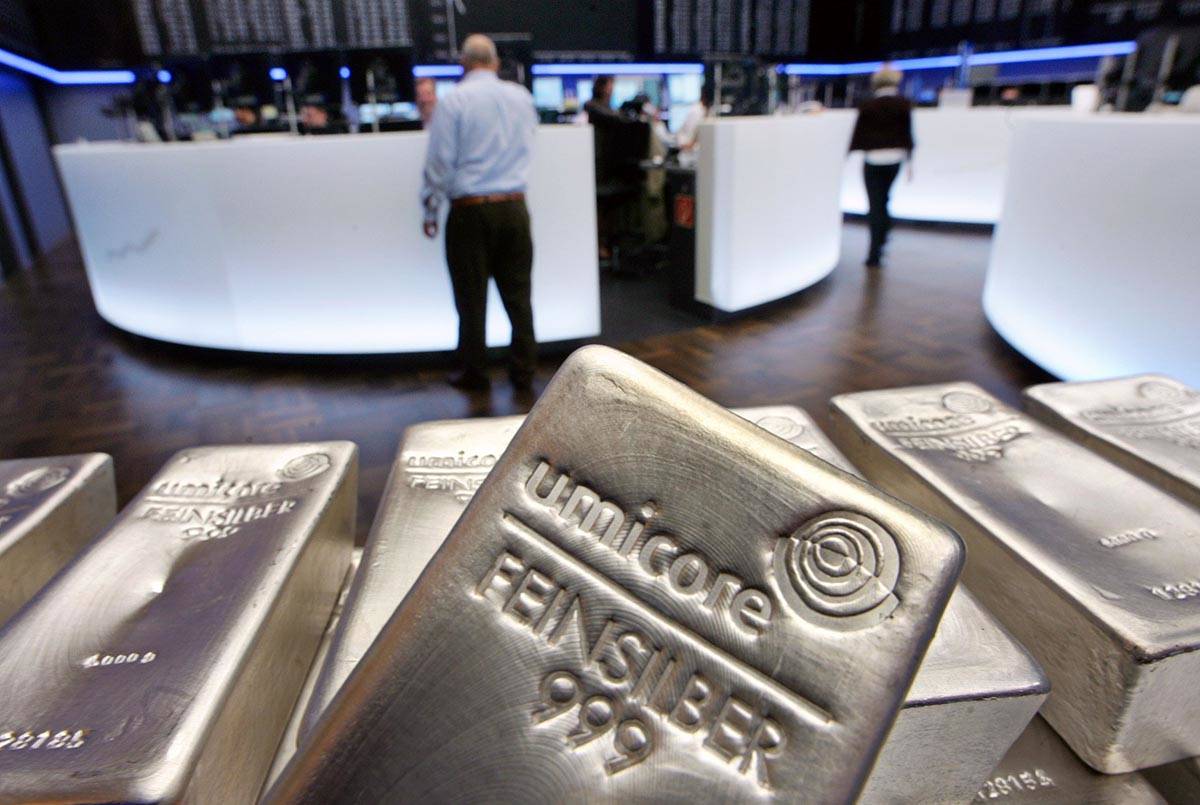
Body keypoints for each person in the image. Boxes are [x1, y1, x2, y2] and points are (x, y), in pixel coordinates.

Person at [421, 35, 539, 393]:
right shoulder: (522, 98)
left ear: (464, 63)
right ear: (496, 62)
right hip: (515, 207)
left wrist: (430, 207)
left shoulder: (454, 101)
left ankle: (476, 373)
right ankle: (524, 371)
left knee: (471, 300)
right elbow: (529, 144)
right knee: (519, 297)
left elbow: (440, 162)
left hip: (470, 212)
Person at [848, 67, 914, 269]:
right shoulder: (903, 104)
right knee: (883, 200)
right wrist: (910, 162)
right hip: (895, 160)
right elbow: (908, 135)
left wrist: (849, 153)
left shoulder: (868, 106)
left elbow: (858, 134)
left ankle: (874, 252)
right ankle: (883, 236)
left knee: (876, 204)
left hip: (873, 160)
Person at [675, 84, 714, 151]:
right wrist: (689, 144)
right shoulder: (696, 111)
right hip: (689, 151)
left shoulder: (709, 111)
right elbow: (689, 137)